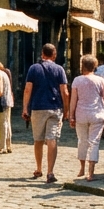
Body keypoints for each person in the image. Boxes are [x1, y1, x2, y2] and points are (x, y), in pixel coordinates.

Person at [23, 44, 69, 184]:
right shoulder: (60, 69)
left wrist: (25, 108)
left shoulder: (34, 68)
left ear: (42, 54)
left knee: (38, 139)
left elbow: (27, 89)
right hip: (55, 108)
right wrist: (66, 110)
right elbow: (65, 92)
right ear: (54, 55)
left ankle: (38, 168)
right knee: (52, 139)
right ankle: (50, 172)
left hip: (37, 107)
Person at [68, 54, 104, 181]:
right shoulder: (100, 80)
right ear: (94, 66)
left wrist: (71, 116)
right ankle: (90, 172)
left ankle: (81, 168)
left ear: (83, 66)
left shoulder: (77, 80)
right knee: (94, 142)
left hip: (81, 114)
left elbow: (73, 101)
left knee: (82, 141)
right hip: (96, 114)